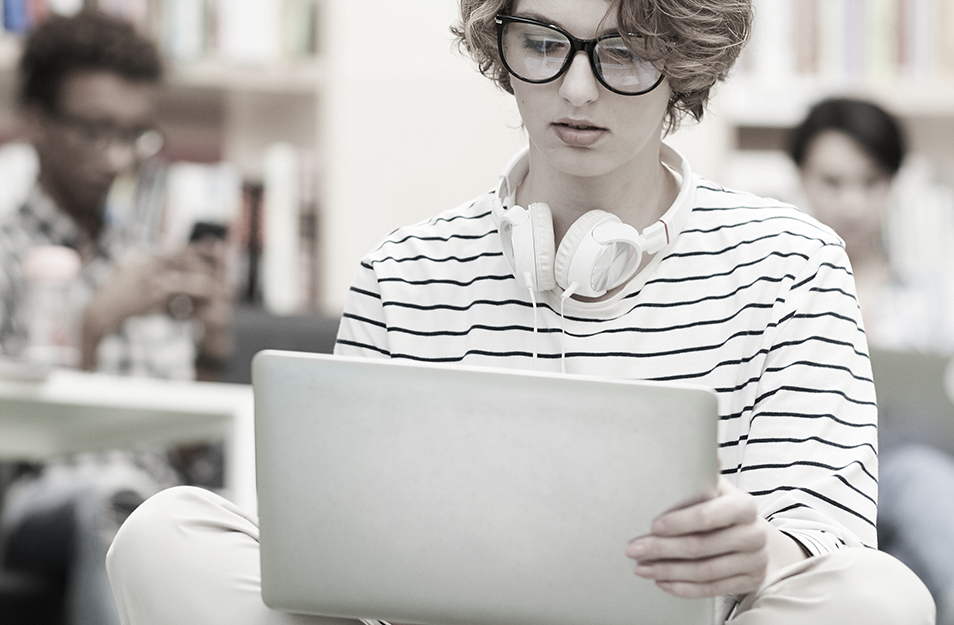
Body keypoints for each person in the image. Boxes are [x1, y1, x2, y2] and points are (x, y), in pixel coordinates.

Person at [105, 1, 934, 623]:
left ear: (683, 59)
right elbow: (332, 543)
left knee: (881, 594)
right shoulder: (403, 269)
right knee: (163, 533)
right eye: (543, 43)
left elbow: (828, 529)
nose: (576, 88)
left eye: (623, 52)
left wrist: (759, 551)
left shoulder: (793, 262)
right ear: (500, 46)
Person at [0, 9, 232, 625]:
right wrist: (90, 325)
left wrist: (211, 350)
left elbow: (193, 462)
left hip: (150, 501)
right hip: (37, 504)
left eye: (133, 135)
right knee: (114, 503)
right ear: (35, 122)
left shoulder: (149, 266)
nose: (114, 158)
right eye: (92, 130)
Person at [790, 96, 954, 625]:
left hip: (908, 478)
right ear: (801, 178)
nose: (853, 204)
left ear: (893, 185)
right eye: (833, 182)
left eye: (871, 182)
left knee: (921, 483)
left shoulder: (936, 299)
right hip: (801, 478)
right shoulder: (778, 290)